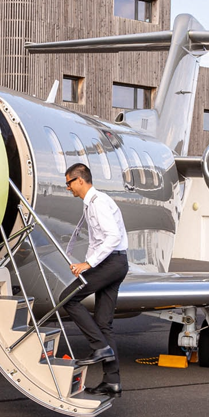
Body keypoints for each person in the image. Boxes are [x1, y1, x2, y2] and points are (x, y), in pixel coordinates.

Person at [63, 162, 128, 396]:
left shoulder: (98, 203)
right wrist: (84, 264)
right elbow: (97, 241)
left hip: (112, 262)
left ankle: (99, 347)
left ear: (80, 180)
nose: (67, 187)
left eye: (69, 182)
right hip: (113, 262)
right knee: (103, 322)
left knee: (67, 298)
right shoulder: (90, 204)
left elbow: (112, 237)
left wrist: (88, 264)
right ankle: (112, 381)